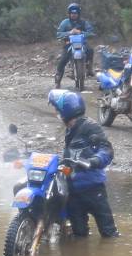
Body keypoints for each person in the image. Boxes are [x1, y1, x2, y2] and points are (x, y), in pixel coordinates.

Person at [47, 89, 119, 238]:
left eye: (57, 110)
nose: (57, 113)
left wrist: (94, 161)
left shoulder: (91, 127)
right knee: (79, 235)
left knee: (109, 233)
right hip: (73, 191)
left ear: (65, 111)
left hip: (93, 188)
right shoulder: (70, 129)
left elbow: (106, 150)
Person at [54, 3, 95, 88]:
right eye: (72, 13)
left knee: (90, 50)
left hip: (82, 44)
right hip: (69, 44)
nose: (74, 15)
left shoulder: (84, 22)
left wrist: (81, 32)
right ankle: (57, 81)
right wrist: (69, 33)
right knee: (62, 60)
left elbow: (91, 32)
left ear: (78, 14)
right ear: (69, 14)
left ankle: (89, 68)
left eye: (75, 13)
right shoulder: (65, 23)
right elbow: (58, 34)